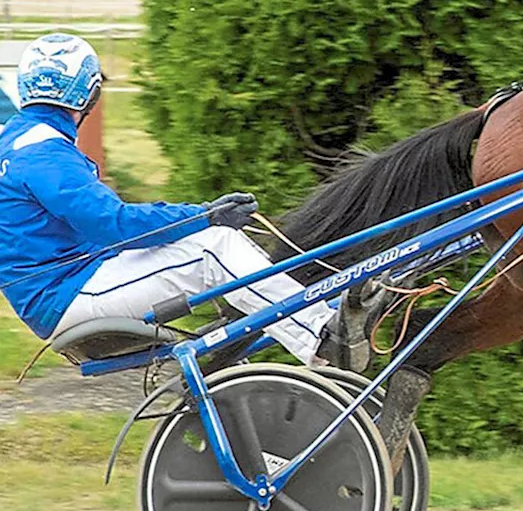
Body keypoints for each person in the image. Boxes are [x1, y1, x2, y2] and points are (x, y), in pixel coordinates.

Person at [0, 33, 381, 370]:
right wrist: (205, 216)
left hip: (67, 286)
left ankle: (289, 335)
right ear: (90, 95)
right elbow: (114, 224)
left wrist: (197, 220)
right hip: (68, 295)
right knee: (212, 250)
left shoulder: (20, 142)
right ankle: (322, 339)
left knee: (204, 249)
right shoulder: (45, 153)